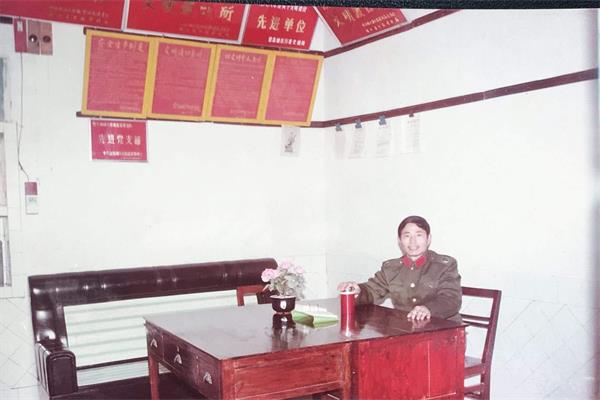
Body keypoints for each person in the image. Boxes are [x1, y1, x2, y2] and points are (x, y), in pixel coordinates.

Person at [338, 215, 462, 323]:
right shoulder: (391, 268)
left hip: (442, 329)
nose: (413, 241)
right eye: (407, 236)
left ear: (428, 239)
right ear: (400, 240)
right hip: (405, 328)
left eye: (419, 235)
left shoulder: (444, 266)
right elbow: (372, 290)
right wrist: (358, 290)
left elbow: (451, 299)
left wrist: (428, 309)